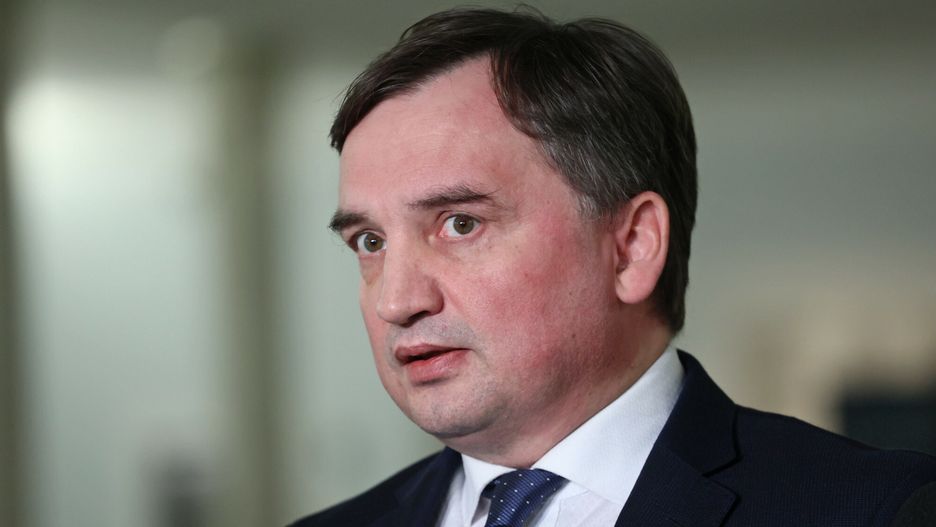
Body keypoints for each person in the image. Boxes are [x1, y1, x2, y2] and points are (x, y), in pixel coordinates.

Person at [293, 7, 936, 527]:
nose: (396, 301)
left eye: (460, 223)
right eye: (370, 241)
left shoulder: (876, 511)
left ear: (632, 247)